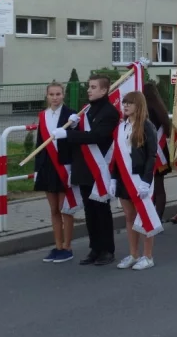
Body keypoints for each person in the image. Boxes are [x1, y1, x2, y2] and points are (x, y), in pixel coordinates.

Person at [55, 75, 119, 266]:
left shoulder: (110, 112)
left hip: (99, 169)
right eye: (89, 87)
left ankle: (107, 250)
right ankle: (95, 248)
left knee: (101, 210)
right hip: (83, 167)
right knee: (90, 211)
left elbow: (97, 136)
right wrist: (75, 124)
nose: (89, 90)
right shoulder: (87, 109)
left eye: (93, 87)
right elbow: (85, 131)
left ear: (104, 90)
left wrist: (69, 133)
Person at [34, 81, 79, 263]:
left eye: (58, 94)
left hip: (64, 166)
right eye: (51, 94)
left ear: (63, 95)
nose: (55, 97)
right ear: (47, 96)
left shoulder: (71, 115)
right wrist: (37, 169)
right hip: (47, 166)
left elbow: (76, 141)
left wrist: (75, 125)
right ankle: (58, 245)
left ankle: (68, 247)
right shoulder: (42, 116)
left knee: (65, 209)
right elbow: (39, 144)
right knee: (53, 209)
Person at [113, 91, 158, 271]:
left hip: (140, 179)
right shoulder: (121, 127)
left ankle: (148, 256)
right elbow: (117, 156)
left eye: (129, 103)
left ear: (138, 106)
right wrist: (114, 178)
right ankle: (133, 254)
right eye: (124, 103)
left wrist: (147, 181)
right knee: (129, 217)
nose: (125, 106)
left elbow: (151, 156)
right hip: (124, 178)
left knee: (144, 216)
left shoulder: (147, 126)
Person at [143, 82, 173, 221]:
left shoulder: (147, 110)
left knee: (154, 186)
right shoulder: (160, 108)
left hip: (152, 151)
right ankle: (158, 215)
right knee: (159, 186)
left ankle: (154, 216)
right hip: (161, 151)